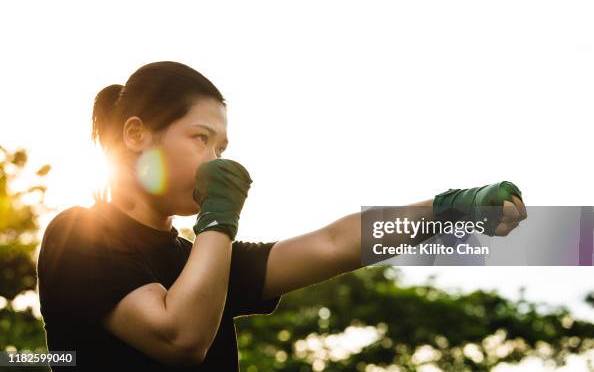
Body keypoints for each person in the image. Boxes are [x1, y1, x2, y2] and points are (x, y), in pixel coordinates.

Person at [36, 61, 527, 371]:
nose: (218, 160)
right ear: (137, 135)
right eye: (200, 139)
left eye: (224, 146)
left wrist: (448, 209)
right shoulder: (77, 235)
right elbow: (178, 337)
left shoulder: (203, 257)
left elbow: (333, 244)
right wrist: (219, 218)